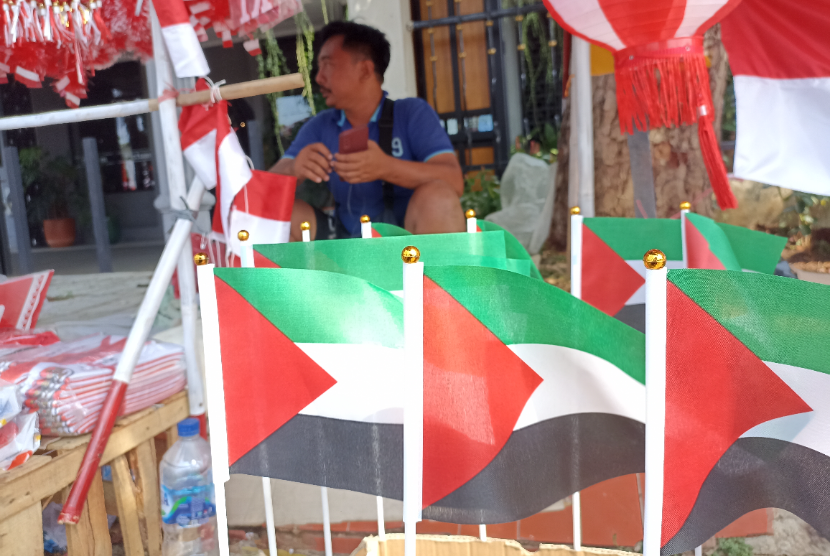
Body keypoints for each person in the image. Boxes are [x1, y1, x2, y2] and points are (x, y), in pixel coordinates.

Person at [270, 21, 465, 240]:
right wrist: (294, 168)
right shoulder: (321, 125)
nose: (319, 77)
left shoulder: (411, 113)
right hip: (342, 239)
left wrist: (386, 167)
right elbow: (264, 188)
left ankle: (431, 274)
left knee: (439, 197)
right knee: (277, 211)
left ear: (365, 69)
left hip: (406, 237)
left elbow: (453, 181)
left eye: (328, 65)